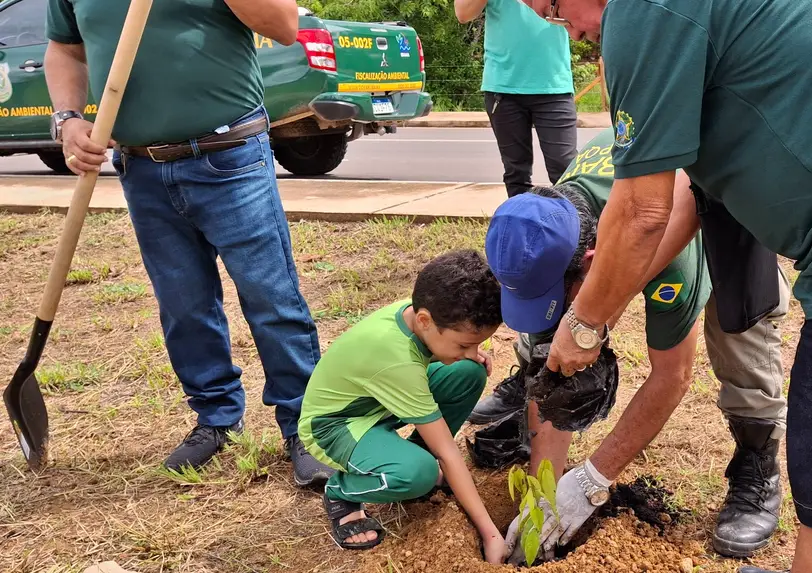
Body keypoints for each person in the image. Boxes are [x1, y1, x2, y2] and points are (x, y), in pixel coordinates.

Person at [510, 1, 812, 572]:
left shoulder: (642, 13)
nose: (566, 32)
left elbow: (643, 216)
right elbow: (688, 198)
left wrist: (586, 323)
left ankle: (760, 471)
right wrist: (611, 295)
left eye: (551, 8)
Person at [44, 0, 335, 486]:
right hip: (141, 168)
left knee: (271, 297)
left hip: (230, 157)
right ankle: (217, 418)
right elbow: (65, 50)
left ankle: (305, 426)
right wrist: (68, 118)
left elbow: (284, 26)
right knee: (183, 304)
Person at [478, 127, 791, 562]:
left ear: (590, 262)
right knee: (557, 339)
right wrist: (542, 493)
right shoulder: (541, 227)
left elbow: (672, 376)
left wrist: (591, 481)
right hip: (624, 220)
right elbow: (554, 360)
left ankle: (757, 466)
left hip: (725, 205)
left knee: (741, 332)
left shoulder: (669, 260)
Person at [298, 249, 506, 562]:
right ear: (425, 320)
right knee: (419, 474)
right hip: (334, 424)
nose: (472, 350)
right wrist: (491, 534)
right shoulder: (398, 362)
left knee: (467, 372)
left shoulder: (422, 313)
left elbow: (433, 355)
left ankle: (411, 453)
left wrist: (465, 353)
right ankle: (341, 491)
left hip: (375, 404)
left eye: (477, 343)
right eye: (464, 344)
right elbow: (448, 452)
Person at [454, 0, 578, 198]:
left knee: (565, 171)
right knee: (516, 172)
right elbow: (463, 13)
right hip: (503, 88)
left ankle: (580, 227)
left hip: (554, 85)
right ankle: (522, 226)